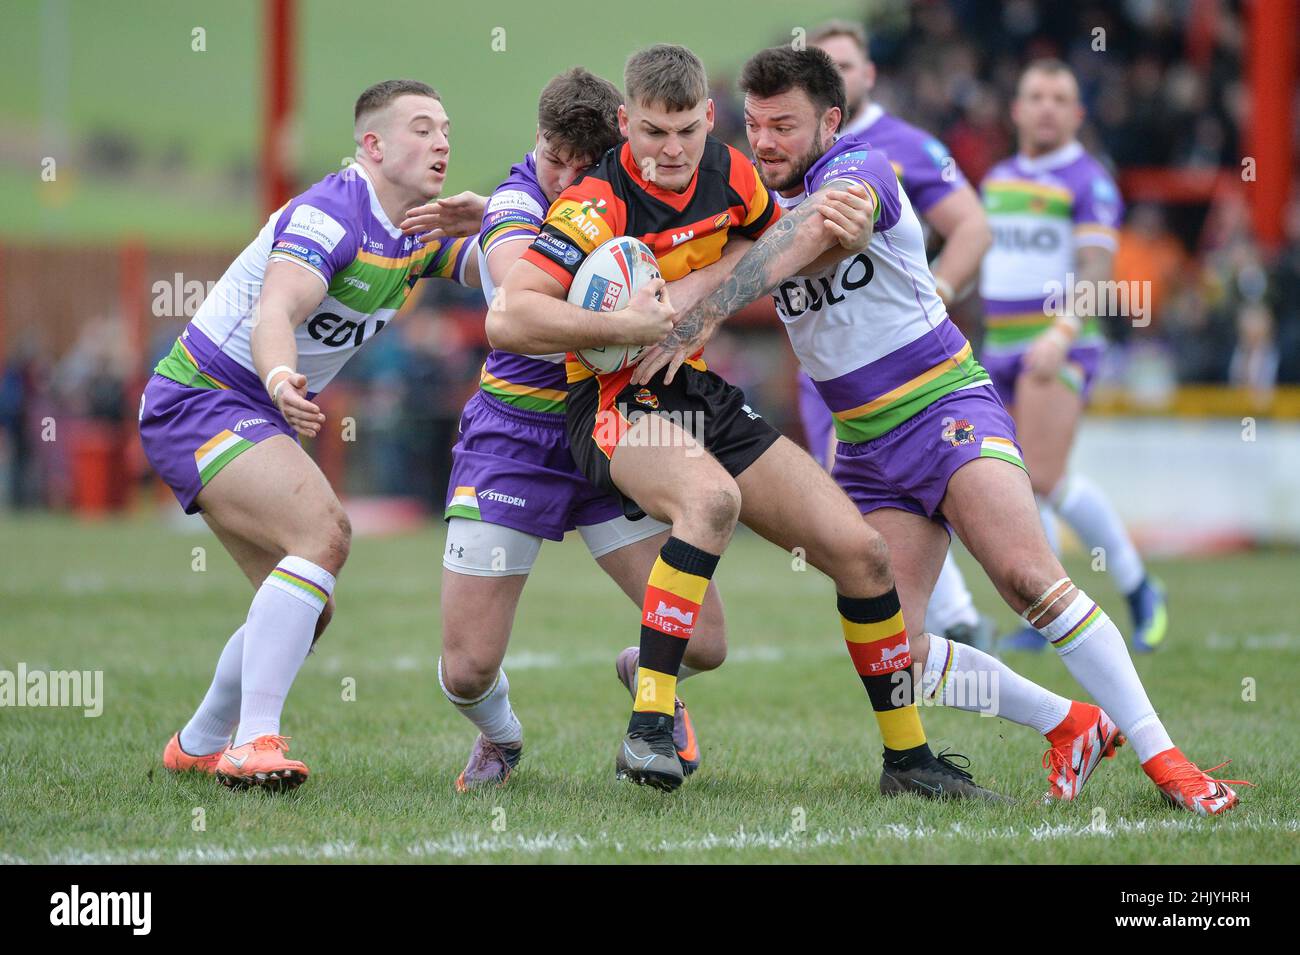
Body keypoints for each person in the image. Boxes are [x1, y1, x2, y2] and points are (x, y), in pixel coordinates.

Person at [650, 46, 1244, 814]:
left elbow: (808, 237)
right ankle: (1068, 723)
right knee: (900, 648)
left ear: (830, 121)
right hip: (866, 445)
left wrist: (699, 311)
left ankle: (1168, 759)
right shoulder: (758, 202)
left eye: (783, 126)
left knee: (1028, 579)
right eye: (755, 124)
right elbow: (736, 246)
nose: (763, 141)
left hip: (944, 409)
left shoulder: (861, 168)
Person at [498, 44, 1004, 800]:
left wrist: (705, 288)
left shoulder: (732, 172)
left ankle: (909, 760)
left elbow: (768, 239)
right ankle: (648, 727)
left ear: (709, 118)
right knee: (710, 502)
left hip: (695, 387)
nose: (670, 152)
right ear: (624, 123)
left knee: (864, 556)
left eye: (685, 132)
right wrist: (630, 326)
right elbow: (511, 317)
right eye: (652, 134)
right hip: (613, 401)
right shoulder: (593, 206)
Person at [401, 67, 739, 790]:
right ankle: (501, 736)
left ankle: (648, 673)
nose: (561, 179)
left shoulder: (618, 189)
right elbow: (515, 302)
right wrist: (627, 322)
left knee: (705, 643)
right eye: (551, 159)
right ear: (538, 143)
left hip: (609, 427)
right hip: (516, 440)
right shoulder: (518, 206)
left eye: (577, 169)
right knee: (466, 668)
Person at [142, 80, 478, 790]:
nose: (442, 141)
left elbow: (504, 272)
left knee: (307, 607)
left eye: (446, 129)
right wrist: (281, 377)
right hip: (205, 397)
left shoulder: (416, 227)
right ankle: (253, 741)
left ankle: (198, 742)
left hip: (249, 406)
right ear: (373, 145)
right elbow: (275, 310)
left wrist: (511, 225)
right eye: (422, 128)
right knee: (324, 533)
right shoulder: (332, 214)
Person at [805, 20, 997, 649]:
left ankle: (955, 618)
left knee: (897, 492)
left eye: (845, 64)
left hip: (902, 362)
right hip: (825, 364)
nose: (834, 75)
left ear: (869, 75)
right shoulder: (782, 157)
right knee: (852, 510)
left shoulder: (906, 146)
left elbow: (972, 228)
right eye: (821, 65)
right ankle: (933, 631)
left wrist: (939, 289)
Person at [979, 59, 1168, 653]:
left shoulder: (1088, 180)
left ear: (1077, 113)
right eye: (1035, 96)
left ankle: (1137, 589)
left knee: (1045, 478)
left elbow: (1097, 268)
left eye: (1059, 98)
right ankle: (1049, 612)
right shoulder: (998, 179)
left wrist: (1062, 330)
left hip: (1056, 342)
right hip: (999, 345)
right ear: (1015, 109)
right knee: (1016, 483)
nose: (1046, 107)